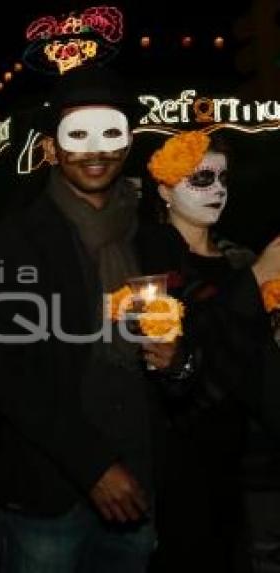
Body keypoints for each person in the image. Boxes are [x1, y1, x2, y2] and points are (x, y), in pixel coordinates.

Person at [0, 66, 183, 573]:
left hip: (139, 489)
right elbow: (0, 370)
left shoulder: (156, 237)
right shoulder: (13, 240)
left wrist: (180, 362)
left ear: (129, 142)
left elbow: (185, 362)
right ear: (54, 147)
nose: (95, 150)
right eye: (78, 135)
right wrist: (93, 467)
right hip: (47, 498)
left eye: (109, 133)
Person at [140, 130, 280, 572]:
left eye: (222, 178)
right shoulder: (149, 257)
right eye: (201, 179)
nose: (217, 189)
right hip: (180, 464)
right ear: (165, 189)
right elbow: (178, 349)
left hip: (248, 459)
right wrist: (257, 282)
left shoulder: (237, 258)